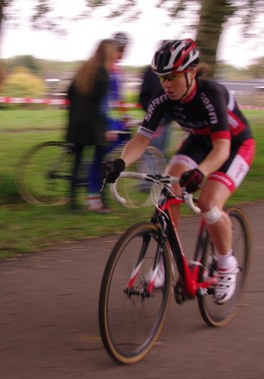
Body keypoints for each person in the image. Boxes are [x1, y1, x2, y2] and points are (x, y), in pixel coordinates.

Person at [102, 39, 256, 304]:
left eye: (173, 77)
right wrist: (120, 163)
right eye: (163, 78)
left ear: (191, 72)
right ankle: (166, 261)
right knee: (169, 187)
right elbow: (141, 139)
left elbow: (221, 149)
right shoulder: (162, 98)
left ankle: (226, 264)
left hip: (234, 146)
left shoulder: (211, 94)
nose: (167, 84)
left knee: (208, 202)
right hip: (199, 141)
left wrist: (201, 172)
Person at [66, 38, 120, 213]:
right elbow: (102, 105)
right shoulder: (103, 73)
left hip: (77, 121)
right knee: (101, 162)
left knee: (77, 162)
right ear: (109, 54)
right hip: (94, 124)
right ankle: (101, 200)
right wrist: (108, 126)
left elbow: (69, 93)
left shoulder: (84, 69)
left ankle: (72, 201)